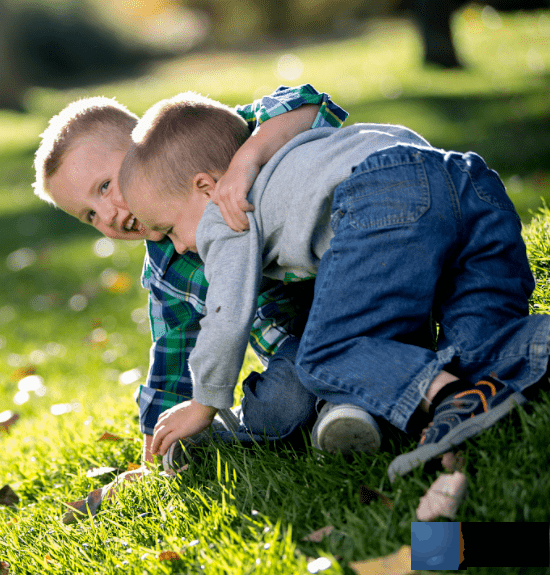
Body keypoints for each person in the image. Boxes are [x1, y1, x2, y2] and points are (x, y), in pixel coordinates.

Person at [119, 92, 550, 479]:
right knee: (479, 346)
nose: (178, 245)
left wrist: (203, 403)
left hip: (383, 194)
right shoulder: (291, 152)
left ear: (204, 186)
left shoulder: (224, 209)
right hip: (467, 179)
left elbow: (226, 313)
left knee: (324, 353)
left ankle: (451, 398)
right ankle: (522, 356)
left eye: (169, 228)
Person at [33, 85, 384, 464]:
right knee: (284, 402)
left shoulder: (210, 143)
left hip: (361, 274)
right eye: (89, 216)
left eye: (104, 187)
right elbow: (173, 355)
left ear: (141, 146)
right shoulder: (167, 272)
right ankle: (332, 412)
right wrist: (154, 453)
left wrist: (245, 162)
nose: (108, 216)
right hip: (298, 344)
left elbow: (311, 105)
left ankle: (353, 401)